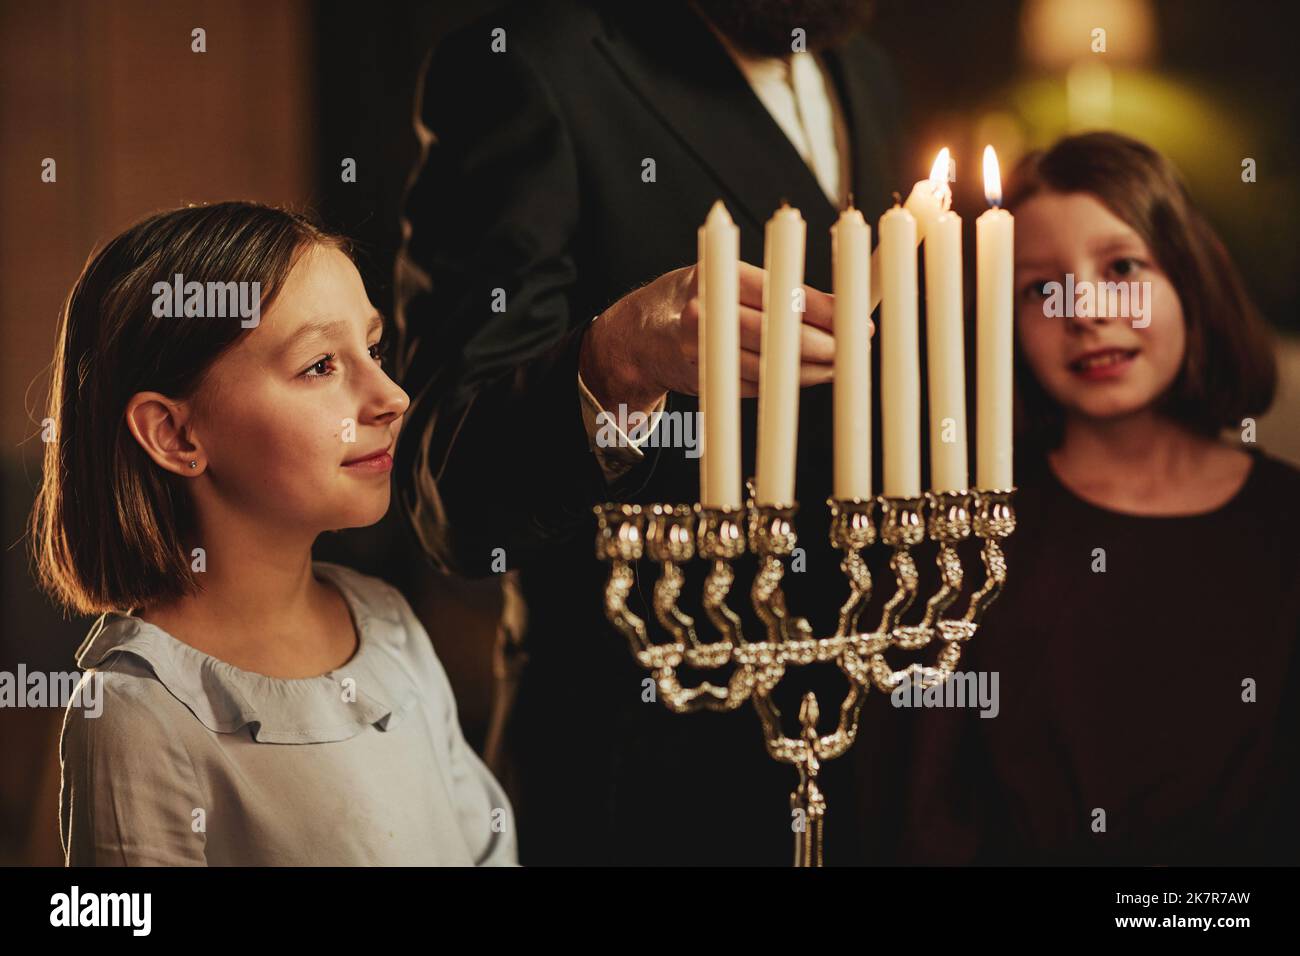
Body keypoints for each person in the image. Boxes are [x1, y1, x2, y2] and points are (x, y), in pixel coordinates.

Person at [394, 0, 907, 864]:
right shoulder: (523, 66)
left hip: (875, 759)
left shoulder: (869, 76)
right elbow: (449, 487)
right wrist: (615, 364)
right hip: (638, 778)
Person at [31, 201, 517, 866]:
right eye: (320, 365)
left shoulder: (389, 626)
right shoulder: (139, 714)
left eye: (372, 348)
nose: (393, 395)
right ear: (174, 434)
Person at [898, 131, 1300, 865]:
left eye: (1121, 267)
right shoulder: (969, 532)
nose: (1082, 310)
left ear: (1189, 277)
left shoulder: (1285, 527)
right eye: (1039, 289)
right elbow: (930, 809)